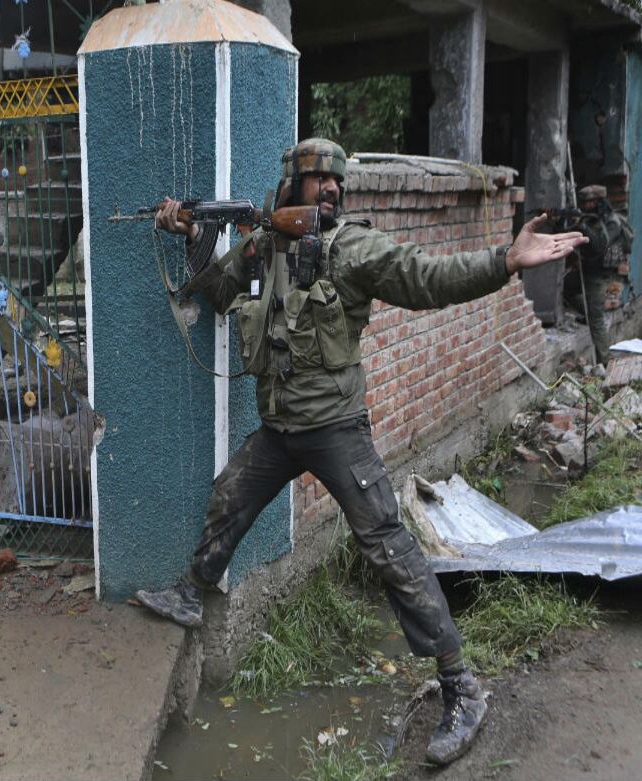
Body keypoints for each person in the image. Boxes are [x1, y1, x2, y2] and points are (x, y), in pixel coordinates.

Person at [135, 138, 587, 766]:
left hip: (336, 429)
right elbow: (215, 290)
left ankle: (462, 686)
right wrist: (188, 231)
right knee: (230, 494)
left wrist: (504, 260)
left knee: (388, 546)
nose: (331, 191)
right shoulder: (263, 244)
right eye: (318, 180)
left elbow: (428, 280)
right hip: (279, 429)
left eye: (337, 182)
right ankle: (192, 591)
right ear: (289, 185)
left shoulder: (351, 248)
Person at [568, 184, 634, 366]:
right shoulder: (590, 218)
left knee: (596, 319)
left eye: (591, 202)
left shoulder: (611, 221)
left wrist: (582, 225)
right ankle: (588, 311)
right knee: (566, 288)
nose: (587, 205)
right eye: (585, 202)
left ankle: (606, 362)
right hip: (586, 269)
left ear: (600, 202)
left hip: (600, 275)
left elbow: (598, 244)